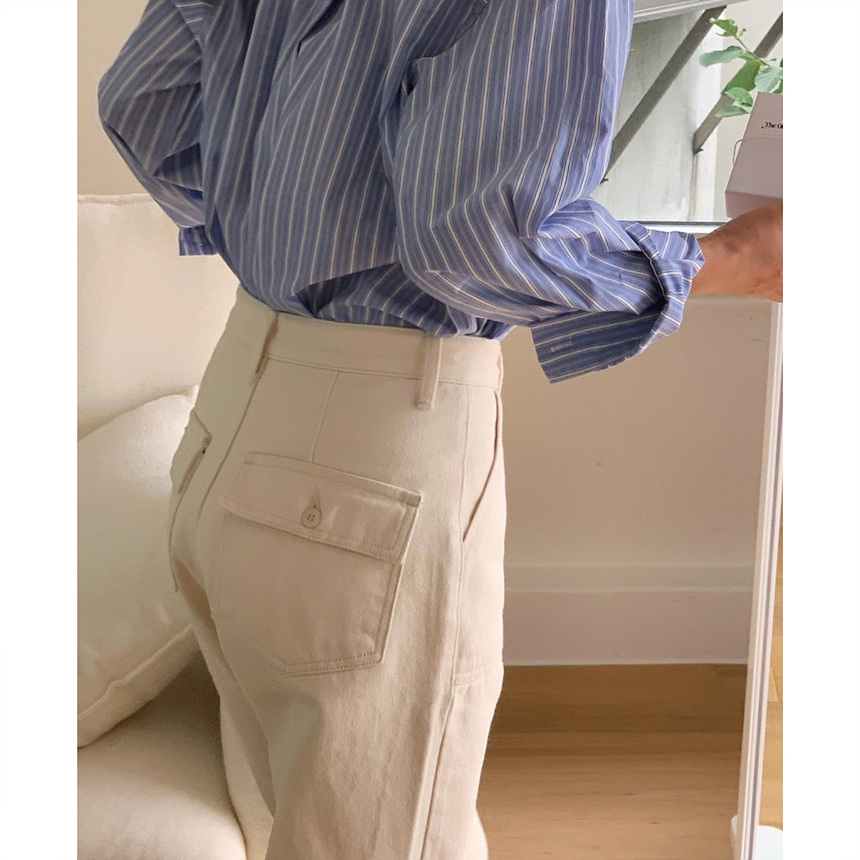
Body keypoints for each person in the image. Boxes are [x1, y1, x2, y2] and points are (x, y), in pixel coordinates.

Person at [97, 1, 782, 858]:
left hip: (228, 415)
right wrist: (728, 262)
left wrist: (287, 237)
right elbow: (478, 237)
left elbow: (143, 103)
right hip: (371, 454)